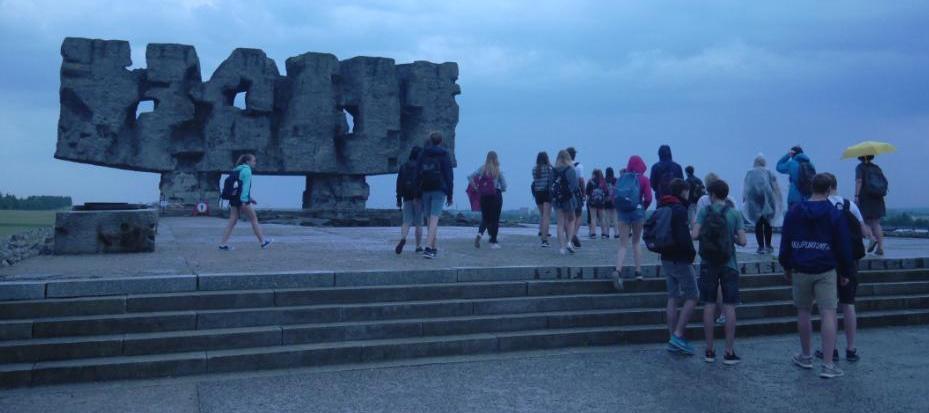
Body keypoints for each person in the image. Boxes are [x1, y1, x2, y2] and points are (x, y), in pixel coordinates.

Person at [780, 173, 854, 379]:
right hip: (826, 269)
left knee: (803, 312)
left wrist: (786, 264)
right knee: (828, 313)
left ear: (811, 188)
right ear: (829, 189)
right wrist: (846, 270)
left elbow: (786, 239)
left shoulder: (794, 212)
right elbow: (843, 245)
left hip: (801, 268)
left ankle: (806, 356)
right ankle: (828, 364)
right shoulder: (834, 214)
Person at [692, 179, 748, 365]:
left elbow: (695, 235)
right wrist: (730, 236)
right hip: (729, 264)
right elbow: (743, 242)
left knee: (709, 304)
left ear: (713, 194)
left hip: (708, 263)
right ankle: (729, 352)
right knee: (729, 306)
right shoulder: (734, 213)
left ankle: (709, 350)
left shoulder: (703, 212)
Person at [820, 172, 870, 363]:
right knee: (849, 304)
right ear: (836, 185)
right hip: (850, 262)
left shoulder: (823, 206)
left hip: (829, 261)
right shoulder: (850, 205)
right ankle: (851, 348)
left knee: (829, 307)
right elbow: (864, 232)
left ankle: (830, 349)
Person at [655, 178, 699, 355]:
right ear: (683, 192)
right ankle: (678, 335)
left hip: (665, 257)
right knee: (694, 296)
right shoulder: (680, 210)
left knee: (673, 297)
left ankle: (672, 337)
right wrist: (691, 255)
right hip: (679, 258)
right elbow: (683, 237)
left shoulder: (662, 206)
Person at [612, 155, 653, 287]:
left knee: (623, 245)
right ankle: (638, 272)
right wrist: (642, 209)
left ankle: (618, 270)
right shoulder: (644, 179)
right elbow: (648, 198)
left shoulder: (622, 179)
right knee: (636, 242)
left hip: (623, 215)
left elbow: (614, 198)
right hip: (637, 214)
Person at [219, 153, 272, 250]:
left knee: (232, 221)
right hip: (242, 200)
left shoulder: (237, 169)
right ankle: (263, 242)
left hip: (234, 199)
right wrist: (245, 201)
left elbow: (239, 187)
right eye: (254, 161)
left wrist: (250, 198)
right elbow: (245, 187)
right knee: (254, 219)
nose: (255, 163)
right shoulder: (247, 171)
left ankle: (222, 244)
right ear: (248, 162)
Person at [417, 132, 454, 259]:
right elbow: (449, 176)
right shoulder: (444, 154)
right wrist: (450, 194)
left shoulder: (423, 153)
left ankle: (434, 247)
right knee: (434, 219)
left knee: (429, 219)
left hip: (425, 189)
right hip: (439, 189)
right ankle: (428, 248)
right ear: (441, 141)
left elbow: (417, 173)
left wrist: (417, 191)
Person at [742, 154, 783, 254]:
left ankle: (760, 246)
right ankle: (768, 245)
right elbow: (775, 186)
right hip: (768, 200)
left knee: (758, 224)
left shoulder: (749, 172)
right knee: (768, 223)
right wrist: (779, 199)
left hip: (754, 201)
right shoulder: (769, 172)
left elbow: (746, 187)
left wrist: (744, 199)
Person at [469, 151, 508, 249]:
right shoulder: (497, 170)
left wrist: (476, 188)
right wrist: (501, 189)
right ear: (496, 158)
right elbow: (504, 186)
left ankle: (479, 235)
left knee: (485, 218)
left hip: (484, 196)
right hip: (496, 196)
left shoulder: (482, 168)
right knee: (495, 219)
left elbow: (470, 177)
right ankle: (493, 241)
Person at [856, 155, 888, 256]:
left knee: (864, 221)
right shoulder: (876, 168)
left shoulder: (860, 167)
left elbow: (859, 181)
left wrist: (856, 195)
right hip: (878, 198)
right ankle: (880, 247)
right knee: (876, 223)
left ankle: (872, 239)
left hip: (866, 197)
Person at [395, 146, 424, 254]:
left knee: (406, 221)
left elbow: (399, 183)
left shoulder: (404, 167)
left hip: (406, 197)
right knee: (419, 223)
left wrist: (398, 198)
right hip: (419, 198)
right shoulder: (420, 167)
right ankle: (418, 246)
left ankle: (403, 238)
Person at [552, 150, 580, 255]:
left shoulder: (554, 170)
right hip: (568, 199)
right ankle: (569, 242)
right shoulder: (570, 170)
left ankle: (562, 248)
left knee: (560, 223)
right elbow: (574, 186)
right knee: (572, 219)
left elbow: (550, 185)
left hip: (557, 200)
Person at [531, 152, 554, 248]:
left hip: (538, 194)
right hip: (547, 193)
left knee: (542, 215)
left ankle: (541, 232)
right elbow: (552, 180)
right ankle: (544, 240)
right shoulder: (549, 169)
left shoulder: (534, 169)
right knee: (546, 217)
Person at [566, 147, 585, 248]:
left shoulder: (563, 166)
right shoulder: (579, 166)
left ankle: (568, 233)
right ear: (574, 155)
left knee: (567, 216)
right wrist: (584, 193)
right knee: (578, 214)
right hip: (576, 193)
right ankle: (573, 233)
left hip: (565, 194)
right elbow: (581, 181)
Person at [585, 169, 609, 239]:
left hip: (592, 202)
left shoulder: (590, 181)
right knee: (602, 218)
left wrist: (588, 200)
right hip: (601, 203)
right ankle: (603, 233)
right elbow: (606, 193)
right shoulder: (603, 182)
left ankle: (593, 233)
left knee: (593, 218)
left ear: (594, 174)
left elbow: (587, 193)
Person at [603, 167, 618, 238]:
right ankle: (616, 233)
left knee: (607, 219)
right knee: (615, 218)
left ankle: (607, 233)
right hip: (614, 201)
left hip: (606, 201)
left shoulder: (604, 180)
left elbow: (602, 190)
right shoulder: (615, 180)